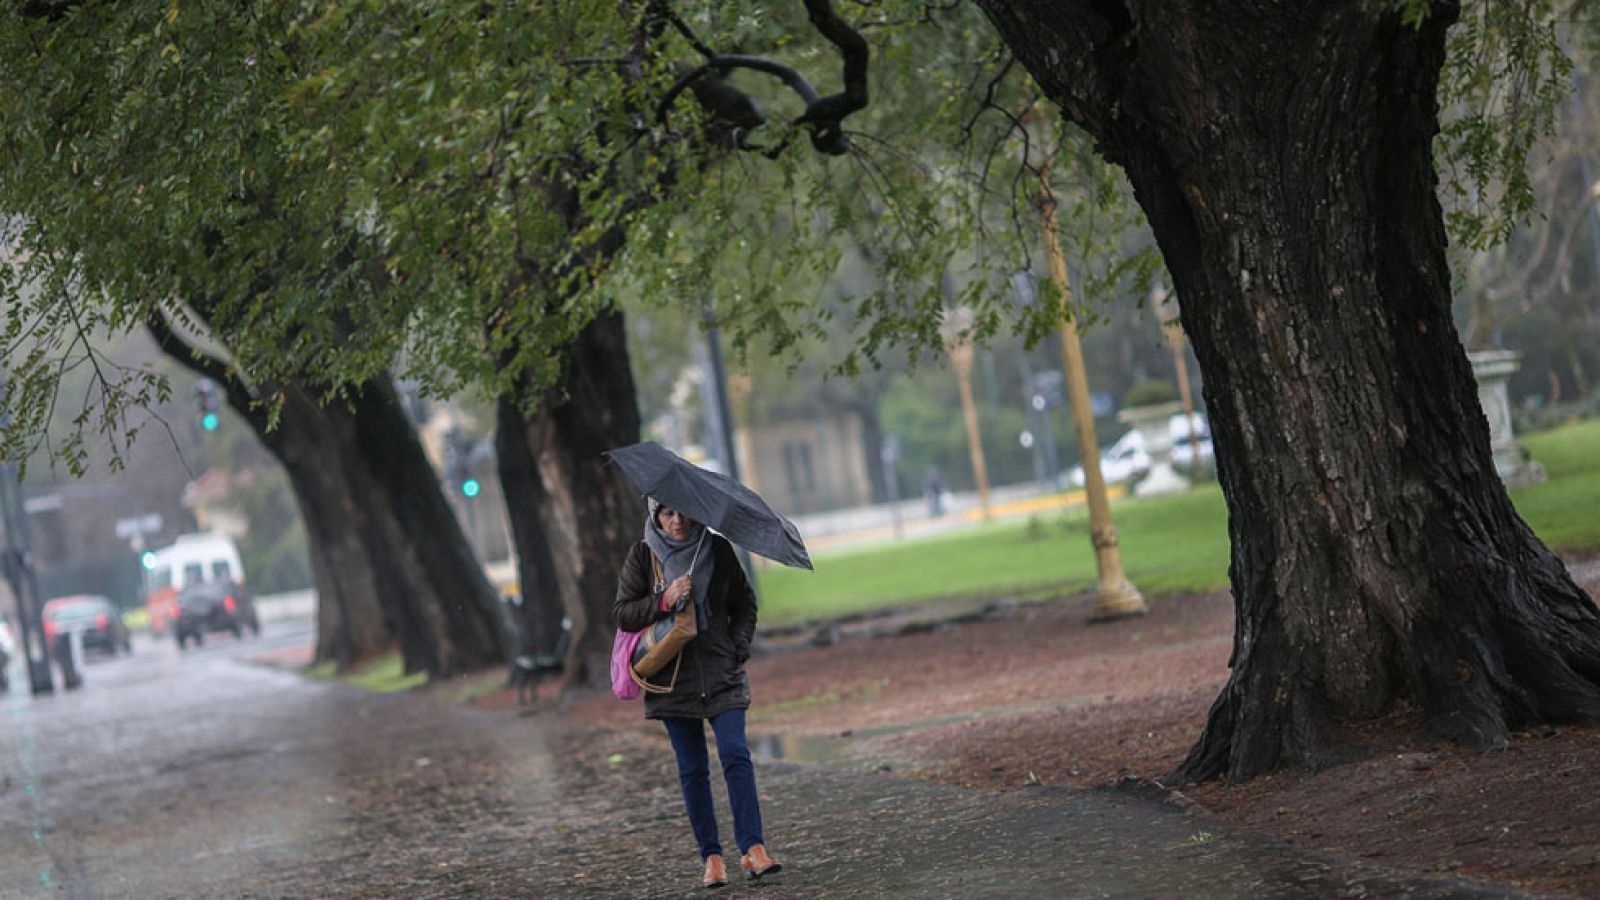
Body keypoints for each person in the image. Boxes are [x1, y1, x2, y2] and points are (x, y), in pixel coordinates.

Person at [613, 499, 783, 890]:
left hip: (722, 672)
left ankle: (754, 848)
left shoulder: (716, 548)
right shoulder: (642, 555)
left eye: (684, 511)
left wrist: (737, 648)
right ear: (655, 516)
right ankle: (711, 858)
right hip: (672, 681)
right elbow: (623, 613)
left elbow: (745, 604)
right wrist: (664, 599)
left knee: (736, 754)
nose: (678, 521)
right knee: (693, 770)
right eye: (668, 514)